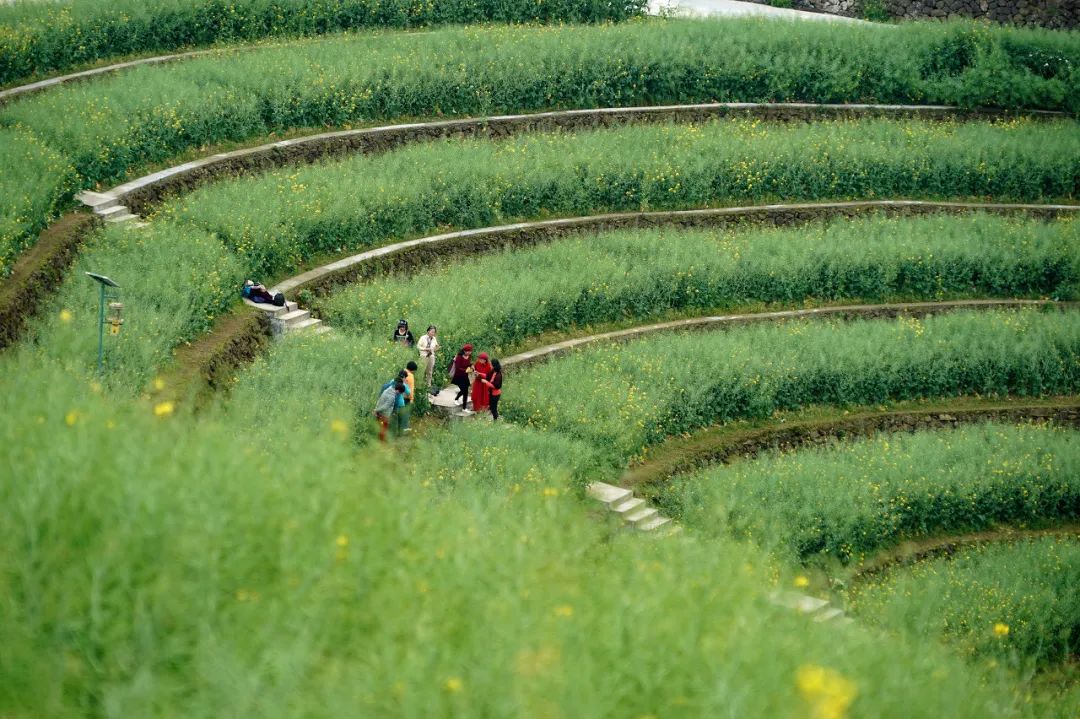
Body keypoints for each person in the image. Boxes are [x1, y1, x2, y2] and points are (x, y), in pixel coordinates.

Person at [450, 344, 473, 412]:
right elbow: (458, 368)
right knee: (465, 391)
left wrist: (471, 366)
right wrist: (466, 370)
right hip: (459, 376)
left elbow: (468, 364)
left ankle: (456, 398)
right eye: (467, 351)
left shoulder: (469, 356)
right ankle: (464, 408)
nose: (469, 353)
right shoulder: (459, 357)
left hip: (465, 376)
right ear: (464, 351)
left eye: (470, 351)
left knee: (464, 390)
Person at [417, 325, 440, 393]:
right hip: (424, 355)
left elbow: (435, 346)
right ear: (428, 331)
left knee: (430, 371)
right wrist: (425, 349)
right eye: (432, 332)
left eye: (434, 332)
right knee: (422, 371)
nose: (433, 333)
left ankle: (428, 386)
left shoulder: (434, 339)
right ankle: (420, 386)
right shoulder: (423, 338)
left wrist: (437, 347)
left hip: (431, 356)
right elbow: (418, 346)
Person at [398, 361, 417, 433]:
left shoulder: (402, 372)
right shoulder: (410, 376)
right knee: (406, 413)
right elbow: (411, 389)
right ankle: (404, 429)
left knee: (399, 413)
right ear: (413, 370)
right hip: (406, 397)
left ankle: (398, 428)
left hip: (399, 395)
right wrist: (411, 398)